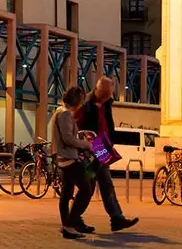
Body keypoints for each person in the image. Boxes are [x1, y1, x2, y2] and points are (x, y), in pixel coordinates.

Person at [75, 76, 139, 232]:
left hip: (102, 147)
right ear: (97, 90)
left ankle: (116, 218)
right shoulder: (85, 106)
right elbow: (77, 128)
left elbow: (108, 125)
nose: (106, 98)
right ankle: (74, 218)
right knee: (88, 186)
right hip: (91, 148)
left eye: (108, 95)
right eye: (104, 94)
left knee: (106, 183)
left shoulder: (106, 104)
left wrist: (110, 142)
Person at [51, 86, 94, 240]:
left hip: (63, 158)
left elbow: (69, 135)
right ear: (77, 101)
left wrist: (80, 135)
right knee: (86, 189)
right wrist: (86, 145)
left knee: (67, 192)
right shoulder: (65, 114)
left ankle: (67, 226)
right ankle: (70, 223)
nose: (82, 104)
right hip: (69, 158)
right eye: (81, 101)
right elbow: (68, 138)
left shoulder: (59, 111)